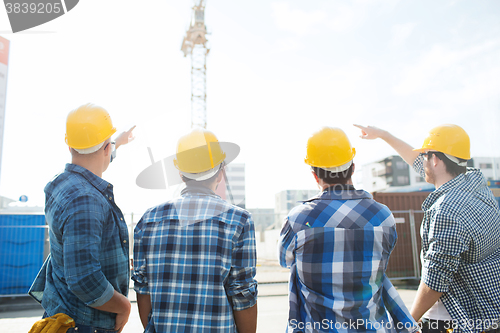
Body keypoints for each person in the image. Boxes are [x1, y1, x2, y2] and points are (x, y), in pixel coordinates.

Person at [354, 124, 500, 333]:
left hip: (454, 321)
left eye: (424, 156)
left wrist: (408, 322)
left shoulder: (447, 211)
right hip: (489, 313)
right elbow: (416, 162)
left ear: (436, 160)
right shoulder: (477, 187)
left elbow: (434, 282)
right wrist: (384, 135)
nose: (421, 162)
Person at [278, 127, 418, 333]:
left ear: (315, 176)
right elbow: (381, 264)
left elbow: (285, 261)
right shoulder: (384, 217)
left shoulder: (298, 220)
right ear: (352, 168)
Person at [132, 128, 258, 333]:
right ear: (221, 171)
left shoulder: (149, 220)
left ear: (180, 173)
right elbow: (243, 294)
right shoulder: (239, 220)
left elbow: (143, 289)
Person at [29, 103, 135, 333]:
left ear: (69, 144)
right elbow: (85, 280)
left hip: (63, 313)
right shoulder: (85, 200)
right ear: (106, 148)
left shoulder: (60, 184)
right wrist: (124, 306)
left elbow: (93, 159)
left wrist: (119, 141)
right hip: (85, 324)